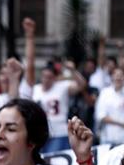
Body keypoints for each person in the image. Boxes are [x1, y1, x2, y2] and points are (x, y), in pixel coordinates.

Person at [22, 18, 87, 153]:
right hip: (41, 133)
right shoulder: (35, 89)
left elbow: (81, 85)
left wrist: (73, 71)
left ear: (54, 78)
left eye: (49, 77)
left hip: (59, 133)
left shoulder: (62, 87)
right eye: (44, 77)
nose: (46, 80)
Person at [95, 67, 124, 145]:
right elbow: (102, 116)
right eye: (116, 75)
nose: (118, 78)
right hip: (108, 138)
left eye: (121, 75)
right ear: (112, 77)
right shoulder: (105, 93)